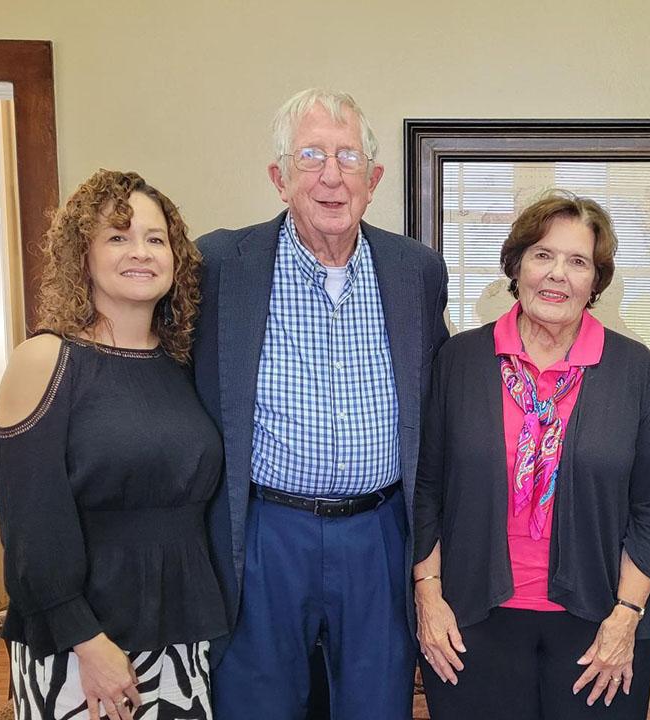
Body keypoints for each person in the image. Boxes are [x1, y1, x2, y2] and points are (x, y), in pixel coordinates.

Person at [192, 88, 449, 719]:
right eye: (311, 156)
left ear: (374, 178)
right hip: (266, 530)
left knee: (376, 701)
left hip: (379, 532)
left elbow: (434, 403)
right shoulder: (221, 263)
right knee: (257, 702)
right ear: (280, 178)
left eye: (348, 157)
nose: (331, 176)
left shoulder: (415, 269)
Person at [413, 191, 650, 719]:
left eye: (577, 261)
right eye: (542, 255)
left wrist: (627, 615)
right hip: (470, 621)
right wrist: (427, 594)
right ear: (516, 265)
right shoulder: (460, 361)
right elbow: (426, 489)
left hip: (599, 624)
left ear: (596, 281)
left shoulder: (633, 370)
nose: (557, 274)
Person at [0, 169, 226, 720]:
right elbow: (29, 522)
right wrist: (86, 642)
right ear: (83, 255)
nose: (140, 252)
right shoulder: (46, 360)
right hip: (82, 640)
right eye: (117, 237)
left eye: (155, 238)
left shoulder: (179, 365)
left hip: (179, 632)